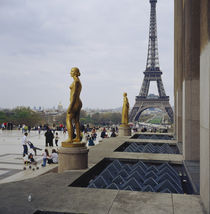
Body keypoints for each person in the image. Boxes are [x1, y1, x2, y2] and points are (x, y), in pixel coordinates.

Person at [63, 67, 82, 144]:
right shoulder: (78, 81)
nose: (70, 72)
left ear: (75, 72)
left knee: (68, 119)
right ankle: (77, 137)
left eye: (72, 71)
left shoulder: (76, 82)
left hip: (75, 102)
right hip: (78, 102)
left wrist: (70, 106)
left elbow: (74, 95)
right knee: (76, 121)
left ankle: (70, 138)